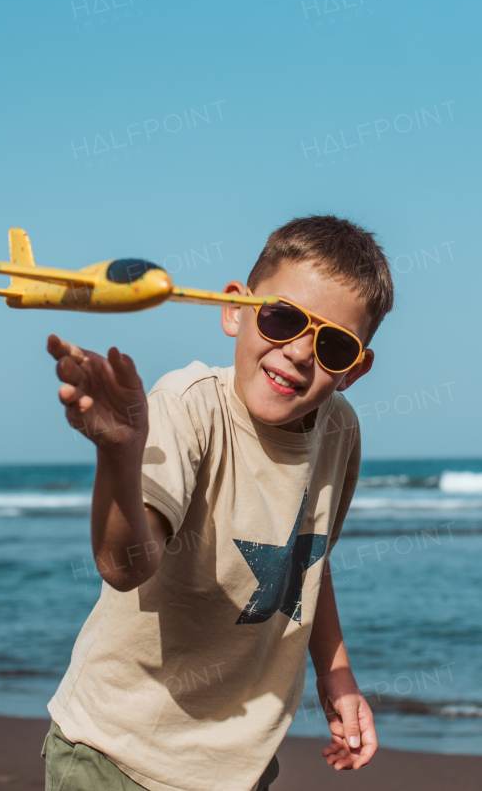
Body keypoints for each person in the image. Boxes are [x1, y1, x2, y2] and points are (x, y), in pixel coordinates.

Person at [42, 216, 393, 791]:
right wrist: (121, 454)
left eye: (333, 344)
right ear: (236, 309)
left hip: (238, 767)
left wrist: (337, 675)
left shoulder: (339, 431)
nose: (300, 353)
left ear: (355, 369)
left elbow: (309, 557)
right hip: (117, 754)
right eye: (283, 318)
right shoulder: (187, 408)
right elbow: (124, 566)